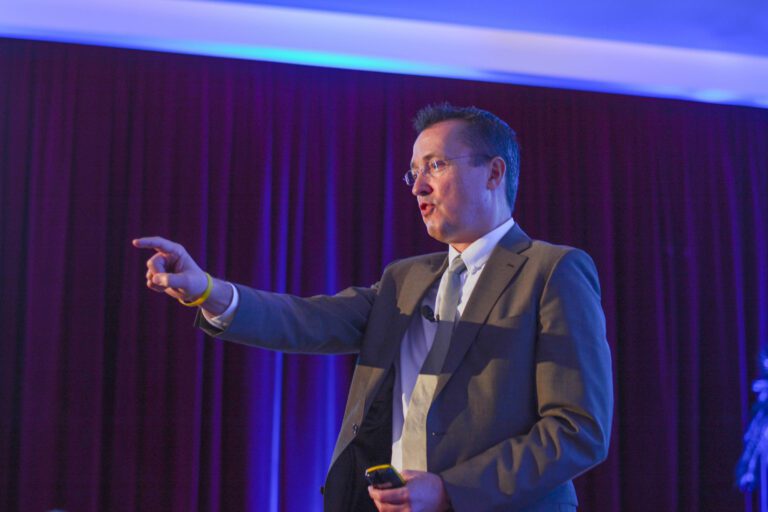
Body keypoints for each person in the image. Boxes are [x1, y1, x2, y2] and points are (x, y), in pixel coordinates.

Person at [134, 104, 613, 512]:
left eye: (436, 166)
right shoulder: (404, 280)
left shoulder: (552, 271)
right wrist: (207, 290)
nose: (418, 187)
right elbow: (307, 320)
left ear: (493, 172)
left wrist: (450, 490)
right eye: (414, 172)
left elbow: (577, 430)